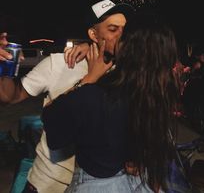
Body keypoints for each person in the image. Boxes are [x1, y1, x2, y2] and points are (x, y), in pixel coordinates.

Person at [0, 0, 135, 193]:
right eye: (113, 29)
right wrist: (5, 68)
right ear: (93, 34)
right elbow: (9, 97)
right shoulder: (60, 63)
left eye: (125, 30)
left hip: (98, 185)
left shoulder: (126, 73)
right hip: (48, 184)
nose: (122, 36)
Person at [42, 12, 181, 193]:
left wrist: (89, 78)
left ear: (126, 48)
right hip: (144, 182)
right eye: (114, 29)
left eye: (122, 34)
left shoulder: (95, 95)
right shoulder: (156, 94)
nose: (117, 37)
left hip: (99, 185)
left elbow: (52, 121)